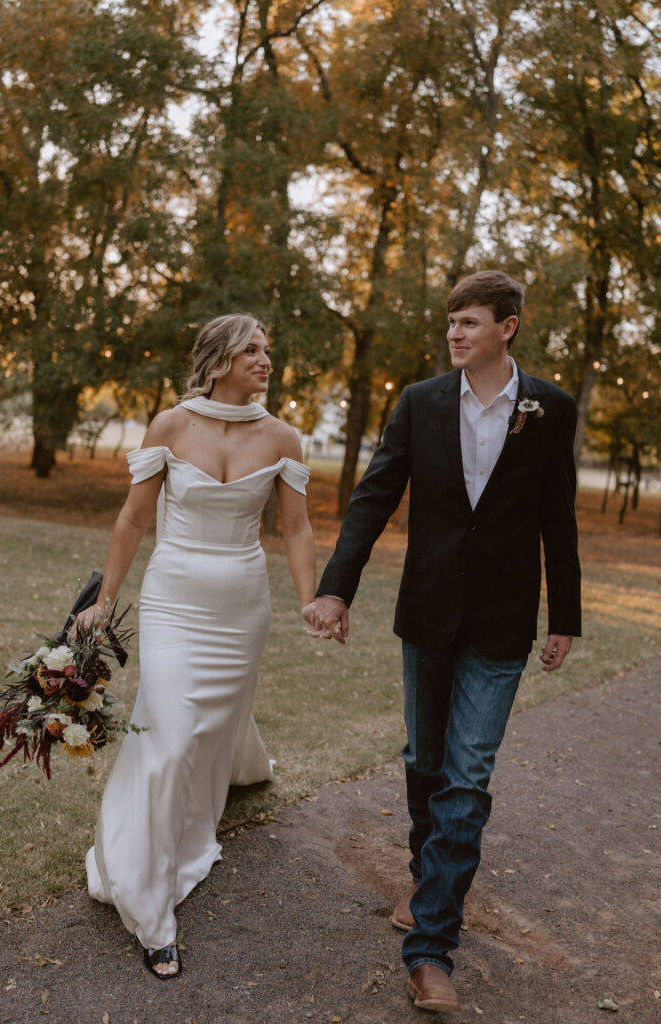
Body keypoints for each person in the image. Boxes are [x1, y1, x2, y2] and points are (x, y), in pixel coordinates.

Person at [310, 271, 581, 1013]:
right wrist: (335, 588)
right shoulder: (419, 402)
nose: (454, 334)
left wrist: (565, 615)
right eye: (451, 323)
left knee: (466, 777)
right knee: (425, 762)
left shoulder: (548, 408)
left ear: (507, 327)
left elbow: (557, 515)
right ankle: (429, 874)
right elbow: (372, 497)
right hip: (426, 612)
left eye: (468, 322)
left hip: (501, 622)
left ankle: (430, 948)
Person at [76, 313, 316, 978]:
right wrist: (104, 599)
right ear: (218, 361)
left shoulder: (282, 437)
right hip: (174, 599)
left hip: (242, 607)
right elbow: (133, 516)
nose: (266, 361)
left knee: (210, 728)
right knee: (170, 736)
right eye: (252, 351)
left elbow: (294, 529)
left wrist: (308, 599)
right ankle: (150, 912)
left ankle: (237, 771)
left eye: (267, 350)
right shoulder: (169, 427)